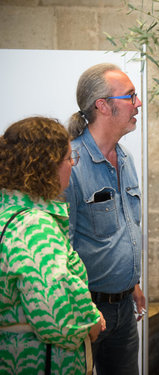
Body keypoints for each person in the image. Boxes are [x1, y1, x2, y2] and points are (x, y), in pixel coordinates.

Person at [0, 116, 105, 374]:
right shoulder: (34, 226)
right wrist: (91, 323)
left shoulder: (9, 210)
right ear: (46, 166)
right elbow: (55, 317)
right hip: (40, 361)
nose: (72, 165)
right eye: (69, 158)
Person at [65, 63, 145, 374]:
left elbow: (125, 227)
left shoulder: (125, 159)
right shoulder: (72, 163)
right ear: (103, 106)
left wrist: (132, 282)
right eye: (131, 96)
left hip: (124, 309)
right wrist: (84, 305)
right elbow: (63, 247)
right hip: (86, 309)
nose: (138, 103)